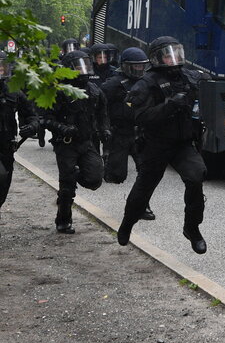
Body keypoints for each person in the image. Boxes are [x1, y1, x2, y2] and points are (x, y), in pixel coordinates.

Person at [116, 36, 208, 254]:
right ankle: (127, 223)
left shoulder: (189, 76)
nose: (173, 58)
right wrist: (169, 106)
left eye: (176, 53)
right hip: (156, 144)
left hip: (183, 143)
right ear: (157, 58)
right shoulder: (146, 83)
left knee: (196, 176)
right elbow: (140, 117)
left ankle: (192, 228)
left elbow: (209, 83)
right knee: (144, 188)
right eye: (168, 54)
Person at [43, 51, 109, 234]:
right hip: (66, 144)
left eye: (85, 65)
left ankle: (78, 174)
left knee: (95, 178)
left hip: (86, 143)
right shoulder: (58, 91)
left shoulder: (94, 90)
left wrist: (104, 129)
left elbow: (103, 113)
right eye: (78, 66)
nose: (83, 70)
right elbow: (45, 119)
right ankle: (63, 220)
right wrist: (62, 128)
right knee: (66, 188)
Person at [100, 47, 155, 220]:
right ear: (125, 66)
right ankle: (106, 164)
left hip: (141, 134)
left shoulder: (148, 82)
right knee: (116, 176)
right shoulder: (113, 84)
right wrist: (104, 126)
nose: (139, 70)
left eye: (141, 66)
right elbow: (99, 104)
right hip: (120, 134)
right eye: (135, 66)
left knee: (146, 173)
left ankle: (142, 206)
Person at [0, 51, 39, 225]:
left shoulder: (14, 91)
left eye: (3, 66)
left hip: (6, 147)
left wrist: (31, 127)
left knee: (3, 186)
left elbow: (33, 115)